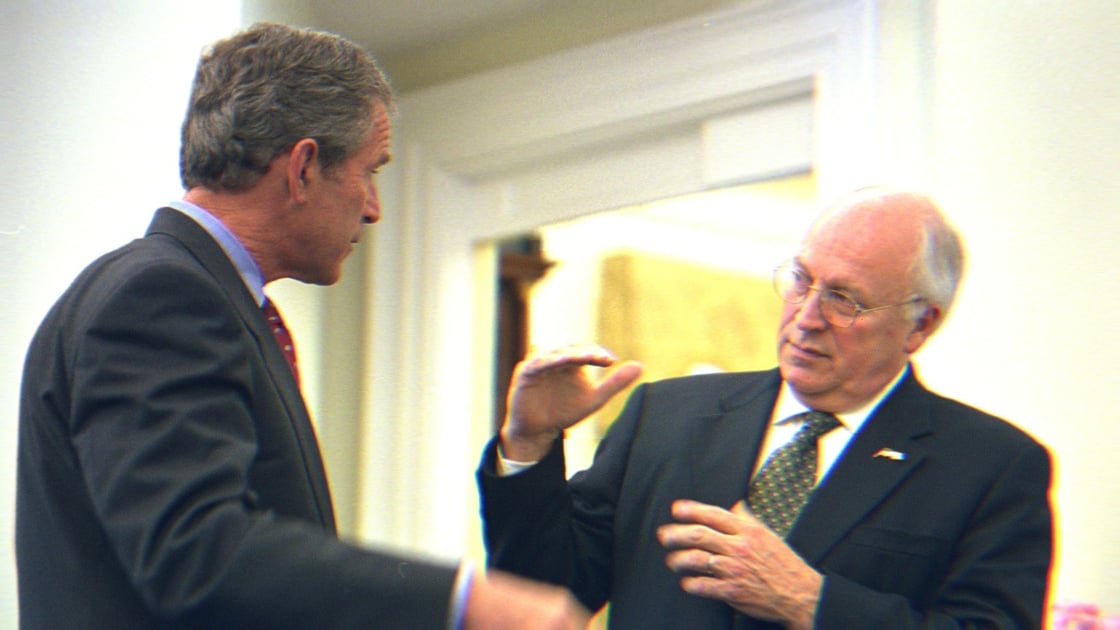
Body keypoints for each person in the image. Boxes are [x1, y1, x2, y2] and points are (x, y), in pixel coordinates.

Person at [16, 22, 587, 630]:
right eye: (370, 171)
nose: (374, 208)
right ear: (304, 167)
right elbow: (192, 550)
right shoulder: (162, 295)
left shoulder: (193, 294)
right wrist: (464, 601)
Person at [477, 188, 1054, 628]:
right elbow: (547, 594)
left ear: (919, 324)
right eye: (802, 280)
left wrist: (812, 602)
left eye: (845, 299)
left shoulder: (989, 465)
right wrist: (528, 443)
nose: (806, 317)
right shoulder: (666, 416)